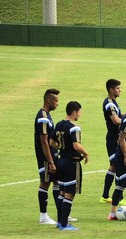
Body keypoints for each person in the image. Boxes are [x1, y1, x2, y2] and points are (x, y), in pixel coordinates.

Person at [51, 101, 89, 231]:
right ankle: (64, 224)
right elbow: (76, 145)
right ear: (74, 112)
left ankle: (60, 222)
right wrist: (85, 153)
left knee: (62, 192)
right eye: (79, 111)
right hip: (72, 163)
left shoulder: (59, 124)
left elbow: (52, 142)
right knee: (69, 193)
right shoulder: (74, 127)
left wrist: (62, 148)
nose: (80, 114)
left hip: (61, 161)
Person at [34, 88, 61, 225]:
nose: (57, 104)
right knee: (45, 183)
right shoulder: (43, 118)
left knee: (56, 182)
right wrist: (50, 161)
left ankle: (61, 214)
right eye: (56, 101)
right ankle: (43, 216)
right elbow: (44, 141)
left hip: (52, 155)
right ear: (49, 100)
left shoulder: (47, 115)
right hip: (45, 157)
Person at [100, 79, 122, 204]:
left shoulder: (113, 102)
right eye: (118, 88)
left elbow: (119, 116)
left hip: (115, 138)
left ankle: (105, 195)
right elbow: (115, 120)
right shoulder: (109, 103)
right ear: (111, 90)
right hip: (113, 139)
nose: (120, 90)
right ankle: (120, 197)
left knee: (113, 166)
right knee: (118, 166)